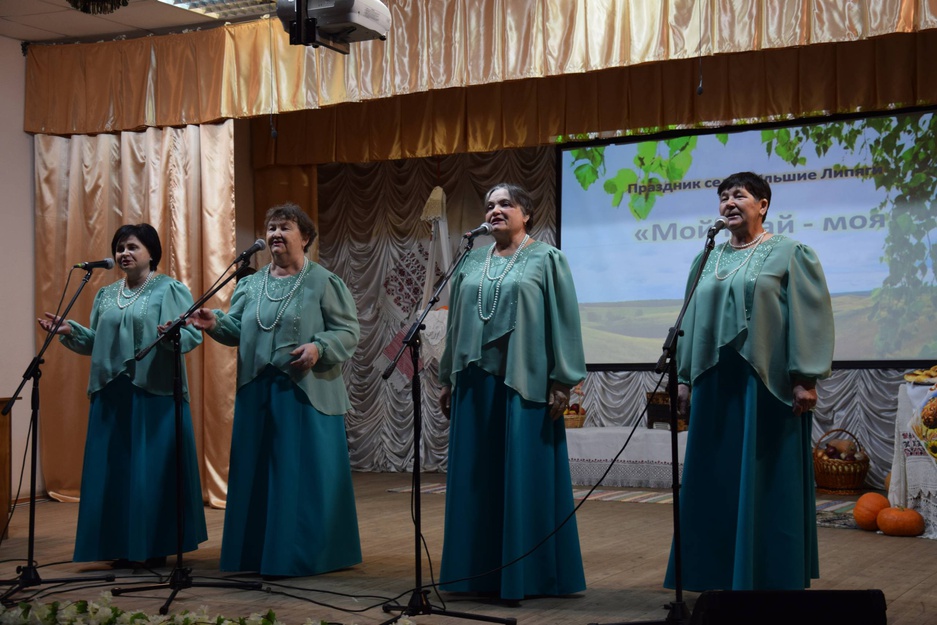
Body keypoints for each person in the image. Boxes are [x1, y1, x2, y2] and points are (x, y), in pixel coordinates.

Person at [664, 171, 834, 591]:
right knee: (714, 480)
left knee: (767, 478)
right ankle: (714, 573)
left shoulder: (790, 253)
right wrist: (683, 379)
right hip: (713, 385)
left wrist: (804, 377)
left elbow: (808, 318)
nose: (729, 203)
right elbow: (689, 321)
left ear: (763, 205)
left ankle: (770, 574)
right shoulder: (706, 259)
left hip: (766, 387)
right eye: (723, 197)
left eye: (738, 195)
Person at [187, 202, 362, 578]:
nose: (275, 234)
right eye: (271, 228)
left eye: (285, 227)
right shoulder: (250, 284)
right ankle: (255, 553)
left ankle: (306, 555)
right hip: (257, 392)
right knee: (258, 473)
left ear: (306, 237)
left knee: (301, 476)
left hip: (304, 393)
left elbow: (348, 331)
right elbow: (237, 328)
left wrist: (319, 348)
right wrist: (214, 322)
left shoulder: (324, 281)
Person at [437, 183, 587, 601]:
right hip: (473, 385)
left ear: (526, 213)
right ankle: (473, 574)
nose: (496, 210)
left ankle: (529, 576)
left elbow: (565, 320)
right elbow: (454, 325)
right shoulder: (471, 261)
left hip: (524, 383)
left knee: (523, 477)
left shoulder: (547, 259)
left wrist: (563, 380)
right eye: (490, 205)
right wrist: (447, 376)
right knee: (476, 479)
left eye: (506, 204)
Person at [38, 223, 207, 567]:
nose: (124, 253)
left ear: (151, 252)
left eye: (132, 247)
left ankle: (152, 547)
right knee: (115, 472)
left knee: (150, 472)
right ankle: (119, 544)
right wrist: (70, 331)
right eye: (119, 248)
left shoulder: (170, 289)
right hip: (111, 394)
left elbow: (191, 336)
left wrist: (172, 335)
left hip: (153, 393)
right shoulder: (106, 294)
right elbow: (97, 341)